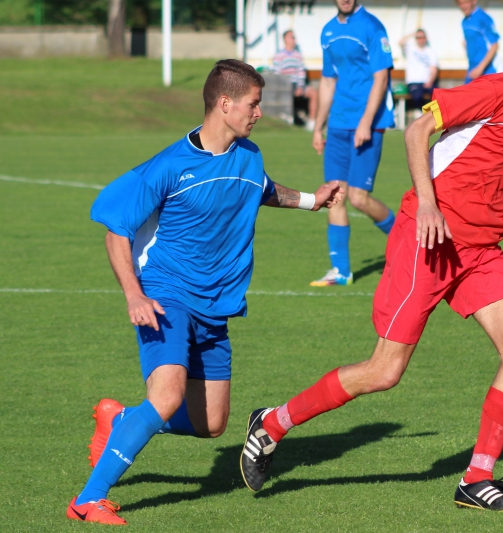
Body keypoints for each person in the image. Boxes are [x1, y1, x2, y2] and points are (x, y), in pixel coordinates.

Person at [240, 19, 503, 512]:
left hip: (481, 251)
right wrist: (429, 204)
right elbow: (417, 130)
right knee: (384, 371)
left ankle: (476, 479)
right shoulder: (499, 90)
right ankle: (272, 423)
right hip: (427, 237)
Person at [65, 59, 342, 526]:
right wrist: (134, 295)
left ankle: (121, 421)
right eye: (253, 104)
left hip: (216, 305)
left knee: (211, 424)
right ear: (225, 104)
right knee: (167, 396)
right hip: (166, 293)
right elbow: (117, 230)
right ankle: (88, 500)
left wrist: (314, 201)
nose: (259, 112)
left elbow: (261, 189)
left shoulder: (249, 155)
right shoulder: (170, 165)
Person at [310, 0, 397, 287]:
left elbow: (381, 78)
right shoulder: (327, 31)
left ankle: (407, 241)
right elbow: (327, 81)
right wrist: (318, 127)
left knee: (359, 198)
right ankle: (341, 272)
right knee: (334, 194)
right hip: (338, 123)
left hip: (369, 122)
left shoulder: (372, 27)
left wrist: (366, 122)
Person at [273, 29, 319, 131]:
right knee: (287, 93)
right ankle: (289, 119)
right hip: (286, 85)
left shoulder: (298, 55)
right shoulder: (279, 55)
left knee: (314, 93)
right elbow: (277, 74)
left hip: (298, 84)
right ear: (285, 39)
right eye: (292, 37)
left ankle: (312, 122)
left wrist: (300, 87)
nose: (294, 40)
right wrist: (286, 86)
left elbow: (301, 72)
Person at [456, 0, 503, 83]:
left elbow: (494, 45)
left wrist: (480, 68)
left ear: (474, 1)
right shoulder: (464, 21)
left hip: (488, 71)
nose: (463, 6)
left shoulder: (483, 17)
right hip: (472, 69)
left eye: (466, 2)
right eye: (460, 3)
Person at [399, 29, 439, 110]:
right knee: (417, 96)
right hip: (414, 81)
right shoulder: (410, 49)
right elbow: (400, 42)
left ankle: (435, 114)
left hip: (427, 82)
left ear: (426, 38)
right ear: (416, 39)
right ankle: (424, 113)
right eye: (418, 37)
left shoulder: (430, 51)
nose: (421, 40)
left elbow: (434, 68)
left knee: (438, 95)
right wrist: (412, 34)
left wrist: (430, 81)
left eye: (423, 37)